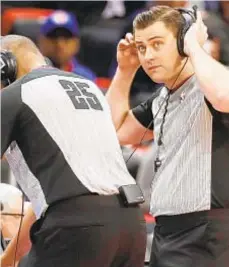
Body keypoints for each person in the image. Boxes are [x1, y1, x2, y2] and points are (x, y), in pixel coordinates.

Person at [0, 34, 146, 267]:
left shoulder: (15, 94)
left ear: (4, 65)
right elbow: (51, 199)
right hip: (131, 226)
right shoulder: (90, 87)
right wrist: (9, 258)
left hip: (76, 227)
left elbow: (70, 204)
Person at [106, 5, 229, 267]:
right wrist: (125, 72)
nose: (147, 55)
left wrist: (196, 47)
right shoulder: (160, 98)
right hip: (167, 231)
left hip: (206, 232)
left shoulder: (209, 86)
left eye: (157, 44)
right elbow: (114, 132)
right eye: (141, 47)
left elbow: (224, 97)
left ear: (182, 43)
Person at [38, 10, 96, 81]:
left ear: (76, 43)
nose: (60, 44)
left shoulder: (85, 77)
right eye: (53, 36)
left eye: (67, 37)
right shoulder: (30, 72)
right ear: (41, 41)